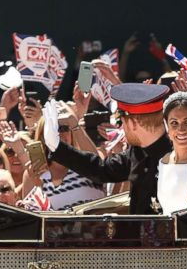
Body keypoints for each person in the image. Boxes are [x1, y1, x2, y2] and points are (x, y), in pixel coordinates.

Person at [44, 84, 172, 214]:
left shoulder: (177, 153)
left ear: (133, 123)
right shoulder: (137, 151)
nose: (121, 128)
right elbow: (101, 169)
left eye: (121, 122)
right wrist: (58, 147)